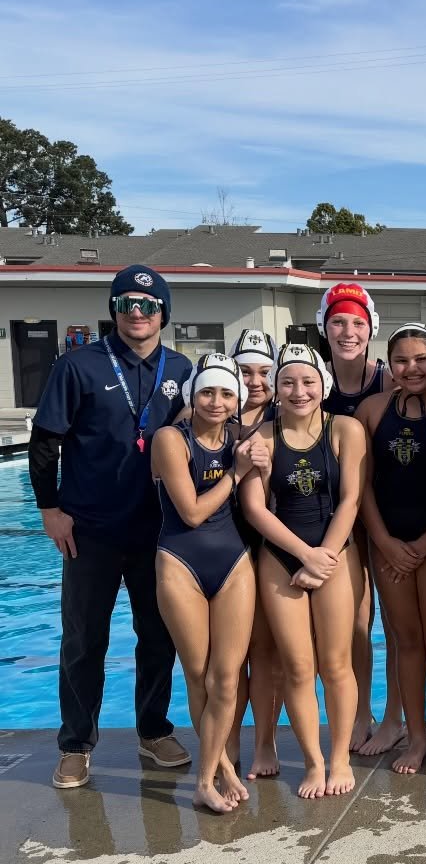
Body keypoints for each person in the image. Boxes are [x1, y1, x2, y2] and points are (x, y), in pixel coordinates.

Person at [33, 264, 193, 790]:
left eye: (148, 305)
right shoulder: (78, 365)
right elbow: (45, 441)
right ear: (114, 310)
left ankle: (153, 730)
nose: (137, 313)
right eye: (126, 304)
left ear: (163, 313)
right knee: (84, 640)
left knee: (158, 637)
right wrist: (49, 509)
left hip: (157, 529)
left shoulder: (182, 368)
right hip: (91, 530)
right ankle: (76, 743)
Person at [237, 344, 367, 799]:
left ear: (323, 385)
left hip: (337, 552)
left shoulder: (345, 430)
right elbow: (254, 509)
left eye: (308, 381)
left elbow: (351, 498)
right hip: (282, 555)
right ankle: (313, 761)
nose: (298, 391)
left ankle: (339, 759)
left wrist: (325, 555)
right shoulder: (261, 439)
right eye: (288, 382)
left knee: (335, 664)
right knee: (296, 666)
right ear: (275, 387)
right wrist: (304, 556)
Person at [356, 324, 426, 777]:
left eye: (422, 359)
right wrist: (384, 542)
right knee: (405, 641)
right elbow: (359, 486)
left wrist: (422, 545)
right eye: (401, 360)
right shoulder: (373, 411)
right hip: (389, 542)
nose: (412, 368)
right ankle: (416, 738)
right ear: (389, 365)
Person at [152, 353, 259, 813]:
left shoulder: (241, 438)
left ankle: (212, 774)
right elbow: (192, 512)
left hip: (234, 563)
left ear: (238, 399)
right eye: (207, 392)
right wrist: (236, 473)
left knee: (227, 678)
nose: (217, 402)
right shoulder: (170, 440)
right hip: (180, 562)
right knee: (197, 674)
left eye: (226, 393)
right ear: (193, 396)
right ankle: (217, 773)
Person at [315, 281, 399, 756]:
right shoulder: (311, 383)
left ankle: (394, 717)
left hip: (386, 516)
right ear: (324, 327)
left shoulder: (388, 381)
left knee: (399, 624)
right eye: (339, 322)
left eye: (358, 323)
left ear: (371, 330)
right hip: (334, 520)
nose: (348, 331)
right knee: (356, 623)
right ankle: (362, 711)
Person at [231, 328, 284, 780]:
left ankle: (265, 742)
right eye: (245, 371)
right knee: (226, 658)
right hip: (222, 548)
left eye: (264, 371)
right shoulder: (206, 414)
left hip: (268, 548)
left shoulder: (289, 417)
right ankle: (227, 744)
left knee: (267, 651)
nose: (254, 381)